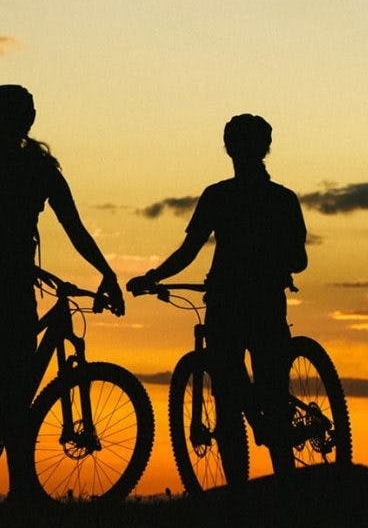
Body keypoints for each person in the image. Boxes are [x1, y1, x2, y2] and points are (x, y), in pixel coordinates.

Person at [0, 84, 122, 500]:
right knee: (16, 372)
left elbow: (75, 229)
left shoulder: (39, 172)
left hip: (9, 280)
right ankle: (21, 486)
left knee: (13, 373)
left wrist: (107, 272)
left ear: (7, 125)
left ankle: (12, 467)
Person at [128, 113, 308, 478]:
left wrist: (153, 277)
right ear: (266, 148)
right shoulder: (284, 199)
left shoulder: (218, 196)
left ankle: (237, 492)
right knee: (270, 392)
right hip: (267, 301)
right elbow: (300, 260)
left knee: (227, 395)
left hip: (226, 301)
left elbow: (189, 250)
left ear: (228, 148)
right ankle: (288, 487)